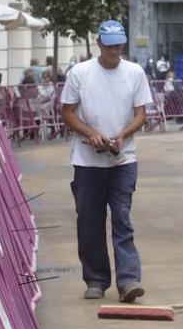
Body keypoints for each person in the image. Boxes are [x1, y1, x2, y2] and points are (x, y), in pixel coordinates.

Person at [59, 20, 153, 303]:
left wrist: (123, 135)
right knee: (90, 221)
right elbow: (67, 111)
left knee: (122, 218)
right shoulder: (80, 72)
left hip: (124, 160)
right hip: (88, 162)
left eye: (119, 45)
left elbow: (141, 114)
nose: (114, 50)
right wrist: (91, 134)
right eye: (109, 45)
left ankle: (128, 280)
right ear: (99, 43)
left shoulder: (135, 72)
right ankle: (96, 279)